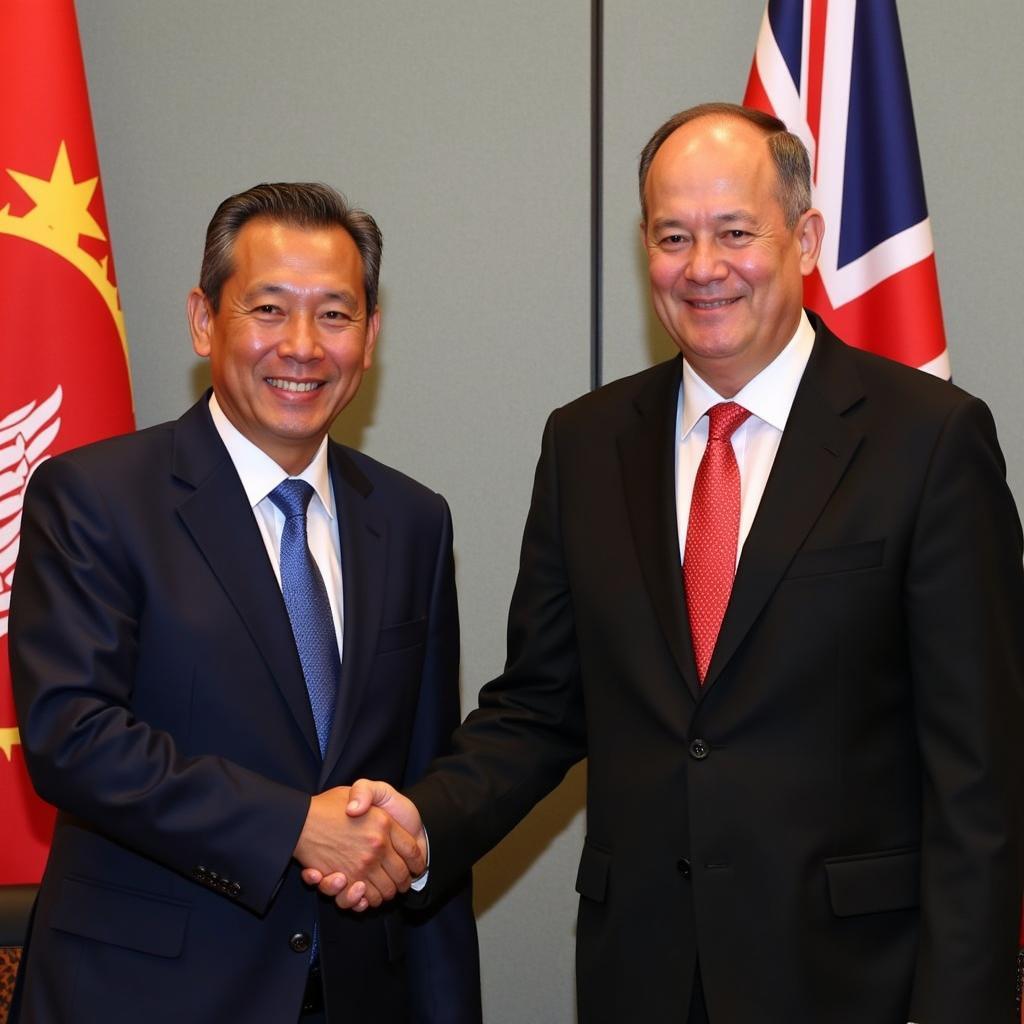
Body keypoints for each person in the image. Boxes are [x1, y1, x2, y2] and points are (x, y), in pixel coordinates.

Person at [316, 104, 1024, 1022]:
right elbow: (538, 706)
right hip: (642, 977)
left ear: (805, 239)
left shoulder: (928, 440)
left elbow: (981, 773)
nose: (703, 268)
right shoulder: (587, 442)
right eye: (673, 236)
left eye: (735, 233)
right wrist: (418, 827)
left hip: (857, 982)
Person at [10, 182, 481, 1024]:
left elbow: (420, 785)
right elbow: (70, 738)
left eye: (334, 315)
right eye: (268, 308)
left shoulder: (412, 522)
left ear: (370, 338)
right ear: (204, 320)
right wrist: (295, 825)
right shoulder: (94, 497)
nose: (301, 346)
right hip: (146, 997)